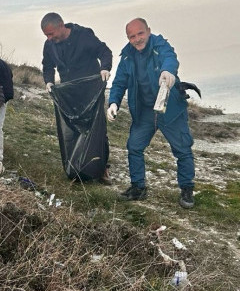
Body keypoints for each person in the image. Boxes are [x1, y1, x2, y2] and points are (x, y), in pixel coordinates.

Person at [107, 18, 196, 209]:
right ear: (128, 38)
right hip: (145, 112)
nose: (137, 39)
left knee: (182, 149)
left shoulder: (160, 44)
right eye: (132, 36)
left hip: (170, 109)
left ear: (148, 30)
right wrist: (113, 102)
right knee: (134, 146)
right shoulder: (127, 57)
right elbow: (119, 82)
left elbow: (170, 57)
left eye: (140, 33)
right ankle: (138, 187)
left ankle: (187, 189)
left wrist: (168, 71)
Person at [40, 12, 112, 183]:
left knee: (96, 128)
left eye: (51, 34)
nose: (49, 38)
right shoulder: (49, 45)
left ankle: (102, 168)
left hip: (91, 91)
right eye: (46, 35)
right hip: (68, 93)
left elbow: (104, 51)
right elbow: (47, 65)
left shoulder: (84, 35)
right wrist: (49, 82)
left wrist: (105, 68)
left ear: (61, 25)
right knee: (72, 128)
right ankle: (77, 165)